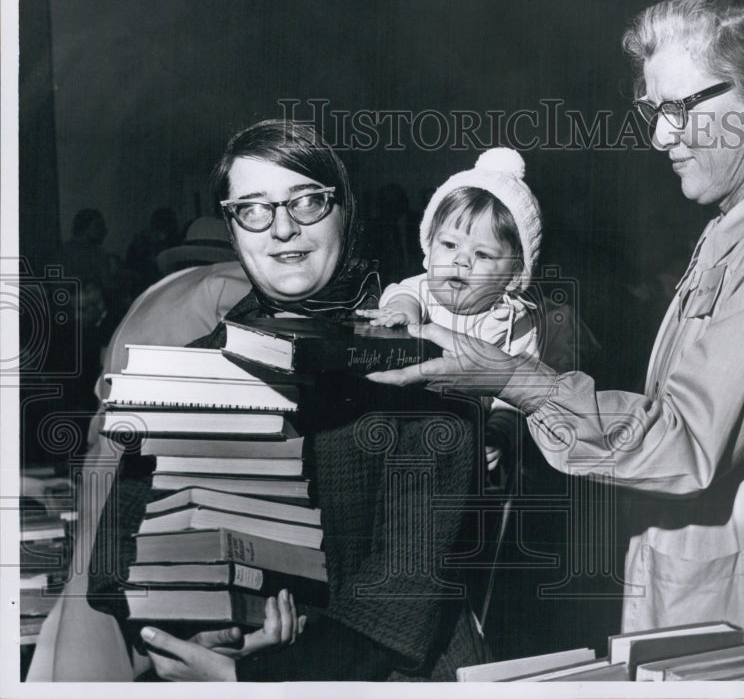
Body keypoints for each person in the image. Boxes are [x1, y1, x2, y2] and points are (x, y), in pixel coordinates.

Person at [371, 0, 744, 671]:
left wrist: (512, 377)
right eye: (652, 110)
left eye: (679, 108)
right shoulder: (738, 232)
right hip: (731, 623)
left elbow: (684, 443)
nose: (660, 135)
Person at [86, 119, 486, 681]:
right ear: (232, 228)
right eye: (253, 208)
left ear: (345, 210)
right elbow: (117, 560)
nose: (282, 229)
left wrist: (248, 682)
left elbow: (400, 596)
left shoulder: (422, 371)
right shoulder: (189, 373)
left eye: (308, 202)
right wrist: (194, 633)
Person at [26, 217, 251, 681]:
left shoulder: (150, 298)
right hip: (149, 472)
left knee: (88, 613)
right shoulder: (225, 288)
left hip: (108, 460)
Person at [358, 147, 542, 475]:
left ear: (514, 275)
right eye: (449, 245)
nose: (461, 260)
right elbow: (402, 293)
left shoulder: (516, 322)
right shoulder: (422, 291)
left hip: (468, 437)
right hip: (401, 422)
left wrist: (500, 432)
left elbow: (518, 396)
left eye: (483, 255)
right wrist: (403, 311)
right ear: (429, 250)